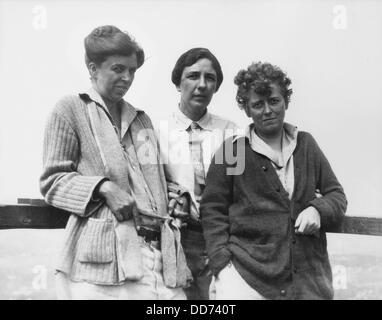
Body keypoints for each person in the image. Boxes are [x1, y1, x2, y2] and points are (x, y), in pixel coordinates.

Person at [40, 25, 191, 300]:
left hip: (159, 257)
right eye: (118, 69)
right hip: (103, 264)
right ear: (93, 68)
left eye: (132, 71)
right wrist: (103, 188)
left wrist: (174, 196)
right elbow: (52, 181)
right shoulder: (69, 110)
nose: (127, 77)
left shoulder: (141, 119)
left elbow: (155, 181)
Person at [200, 61, 347, 300]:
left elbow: (336, 195)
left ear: (286, 102)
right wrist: (221, 265)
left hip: (306, 279)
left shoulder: (306, 145)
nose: (267, 110)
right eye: (257, 104)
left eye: (274, 101)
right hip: (246, 279)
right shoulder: (233, 151)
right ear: (246, 109)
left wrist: (317, 210)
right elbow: (212, 208)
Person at [157, 48, 238, 300]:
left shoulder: (231, 132)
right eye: (193, 76)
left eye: (210, 78)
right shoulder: (155, 132)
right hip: (177, 238)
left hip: (221, 239)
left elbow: (239, 188)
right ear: (178, 82)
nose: (202, 85)